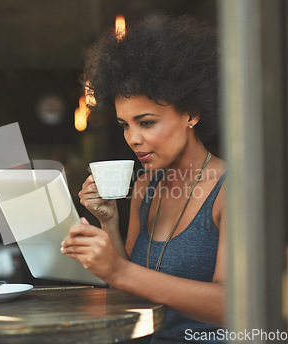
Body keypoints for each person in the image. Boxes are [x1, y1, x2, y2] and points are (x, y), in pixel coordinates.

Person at [61, 14, 227, 343]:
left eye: (146, 122)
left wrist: (118, 270)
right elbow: (131, 295)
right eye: (125, 125)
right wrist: (108, 223)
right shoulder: (144, 188)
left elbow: (233, 304)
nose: (133, 138)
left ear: (191, 113)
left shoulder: (231, 191)